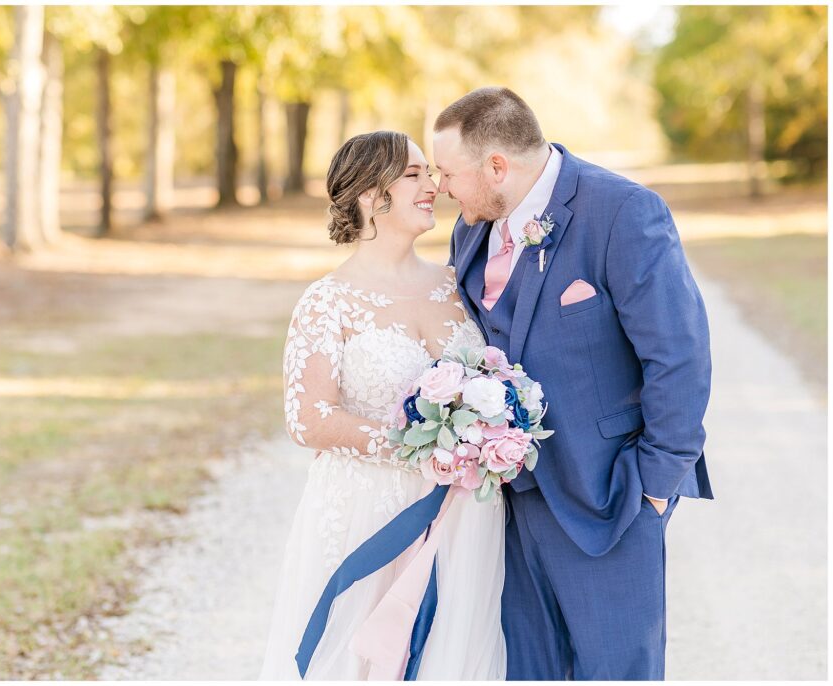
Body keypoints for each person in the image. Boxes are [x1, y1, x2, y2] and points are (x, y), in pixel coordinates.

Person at [433, 86, 713, 680]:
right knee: (523, 671)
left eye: (447, 173)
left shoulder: (622, 211)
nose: (441, 189)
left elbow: (679, 356)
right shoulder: (470, 231)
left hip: (608, 497)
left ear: (496, 166)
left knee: (616, 671)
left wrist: (653, 488)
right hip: (503, 509)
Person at [258, 131, 507, 680]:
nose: (434, 186)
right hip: (366, 510)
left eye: (431, 173)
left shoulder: (455, 284)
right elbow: (308, 419)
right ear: (372, 196)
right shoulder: (328, 301)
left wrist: (487, 433)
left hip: (463, 515)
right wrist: (421, 446)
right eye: (415, 174)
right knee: (360, 656)